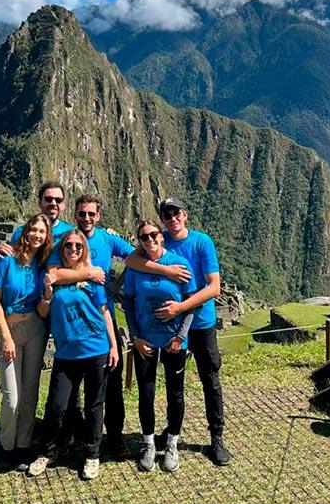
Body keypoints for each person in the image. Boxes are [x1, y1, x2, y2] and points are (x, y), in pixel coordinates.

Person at [125, 197, 232, 466]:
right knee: (174, 387)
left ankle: (216, 438)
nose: (172, 218)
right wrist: (166, 270)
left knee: (210, 379)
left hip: (200, 322)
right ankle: (170, 432)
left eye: (176, 213)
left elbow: (214, 287)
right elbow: (131, 261)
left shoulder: (201, 242)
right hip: (168, 330)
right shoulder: (159, 242)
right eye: (166, 215)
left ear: (185, 215)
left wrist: (180, 307)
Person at [44, 194, 135, 460]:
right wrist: (89, 273)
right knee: (71, 390)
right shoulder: (65, 239)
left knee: (112, 384)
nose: (86, 218)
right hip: (71, 321)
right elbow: (53, 274)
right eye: (82, 213)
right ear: (76, 213)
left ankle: (115, 439)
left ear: (98, 216)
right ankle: (78, 436)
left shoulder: (108, 239)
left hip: (102, 315)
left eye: (91, 214)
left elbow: (136, 256)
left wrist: (115, 286)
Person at [27, 230, 119, 481]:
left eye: (79, 246)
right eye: (69, 245)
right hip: (66, 353)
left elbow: (104, 312)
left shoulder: (94, 278)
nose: (74, 249)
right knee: (56, 405)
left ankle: (92, 455)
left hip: (95, 349)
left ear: (84, 249)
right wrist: (46, 294)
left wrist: (113, 346)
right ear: (63, 248)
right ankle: (47, 452)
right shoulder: (53, 279)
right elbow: (43, 312)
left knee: (93, 406)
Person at [123, 220, 197, 473]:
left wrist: (179, 337)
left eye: (154, 234)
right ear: (140, 242)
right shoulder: (135, 269)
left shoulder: (179, 264)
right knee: (146, 393)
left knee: (175, 393)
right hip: (145, 341)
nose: (150, 240)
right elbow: (129, 302)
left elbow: (190, 304)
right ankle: (148, 443)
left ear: (161, 236)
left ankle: (172, 443)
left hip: (173, 341)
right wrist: (135, 336)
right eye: (144, 237)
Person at [0, 213, 53, 470]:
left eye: (42, 231)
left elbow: (43, 310)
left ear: (46, 237)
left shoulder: (42, 265)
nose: (37, 234)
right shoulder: (6, 260)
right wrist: (5, 336)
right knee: (11, 398)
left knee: (30, 392)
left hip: (36, 328)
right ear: (25, 232)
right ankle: (7, 445)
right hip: (10, 329)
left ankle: (24, 446)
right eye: (34, 229)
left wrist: (47, 296)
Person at [0, 181, 75, 257]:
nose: (53, 203)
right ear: (39, 203)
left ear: (63, 205)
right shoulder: (21, 233)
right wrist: (2, 253)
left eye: (58, 200)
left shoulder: (71, 233)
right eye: (48, 199)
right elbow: (12, 260)